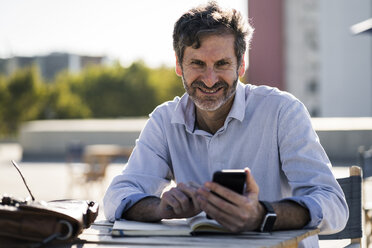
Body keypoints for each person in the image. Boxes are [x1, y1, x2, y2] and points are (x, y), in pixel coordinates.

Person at [103, 2, 348, 247]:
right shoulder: (164, 120)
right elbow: (117, 196)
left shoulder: (283, 111)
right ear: (179, 65)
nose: (209, 80)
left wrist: (261, 215)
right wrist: (160, 208)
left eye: (222, 64)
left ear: (241, 65)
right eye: (197, 63)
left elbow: (334, 205)